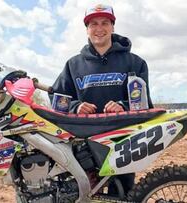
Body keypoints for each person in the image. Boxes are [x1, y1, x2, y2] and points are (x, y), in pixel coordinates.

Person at [50, 3, 153, 197]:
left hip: (123, 140)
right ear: (87, 29)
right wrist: (76, 106)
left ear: (113, 26)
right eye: (93, 24)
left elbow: (145, 102)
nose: (99, 29)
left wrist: (122, 106)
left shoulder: (135, 62)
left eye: (105, 23)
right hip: (84, 144)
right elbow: (56, 97)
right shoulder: (73, 65)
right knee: (84, 193)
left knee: (123, 195)